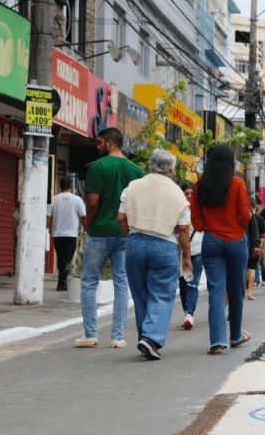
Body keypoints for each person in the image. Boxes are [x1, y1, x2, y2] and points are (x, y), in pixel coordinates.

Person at [117, 149, 190, 360]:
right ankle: (150, 339)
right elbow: (183, 229)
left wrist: (131, 235)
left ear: (150, 165)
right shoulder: (177, 192)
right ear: (171, 170)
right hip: (165, 245)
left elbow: (120, 218)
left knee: (141, 294)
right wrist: (186, 257)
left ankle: (146, 339)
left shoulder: (133, 187)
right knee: (162, 294)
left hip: (136, 242)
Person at [76, 128, 144, 348]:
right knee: (121, 283)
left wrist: (89, 224)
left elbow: (93, 202)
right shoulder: (137, 171)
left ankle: (90, 334)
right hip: (125, 233)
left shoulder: (98, 167)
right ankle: (117, 336)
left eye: (100, 142)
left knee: (88, 282)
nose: (97, 146)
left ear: (110, 143)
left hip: (100, 233)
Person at [191, 144, 252, 355]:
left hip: (211, 241)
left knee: (216, 291)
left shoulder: (201, 185)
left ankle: (217, 342)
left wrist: (205, 226)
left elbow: (195, 216)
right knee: (236, 290)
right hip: (236, 241)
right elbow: (246, 215)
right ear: (230, 162)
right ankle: (235, 335)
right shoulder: (238, 184)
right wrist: (238, 227)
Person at [47, 176, 85, 292]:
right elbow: (83, 216)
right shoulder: (77, 200)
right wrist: (87, 229)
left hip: (57, 234)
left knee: (60, 258)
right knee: (68, 259)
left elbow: (49, 218)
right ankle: (63, 282)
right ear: (71, 186)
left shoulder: (54, 199)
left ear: (60, 186)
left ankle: (61, 282)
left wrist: (50, 230)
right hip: (71, 234)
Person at [178, 182, 204, 329]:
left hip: (198, 251)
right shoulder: (178, 210)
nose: (189, 196)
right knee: (183, 285)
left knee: (192, 284)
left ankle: (190, 314)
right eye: (186, 193)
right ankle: (186, 312)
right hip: (182, 252)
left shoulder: (200, 210)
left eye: (191, 193)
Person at [245, 197, 262, 300]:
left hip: (241, 244)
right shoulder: (258, 219)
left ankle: (242, 290)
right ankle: (249, 292)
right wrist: (258, 246)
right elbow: (261, 234)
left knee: (242, 270)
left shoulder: (239, 212)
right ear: (256, 206)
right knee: (252, 268)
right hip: (253, 246)